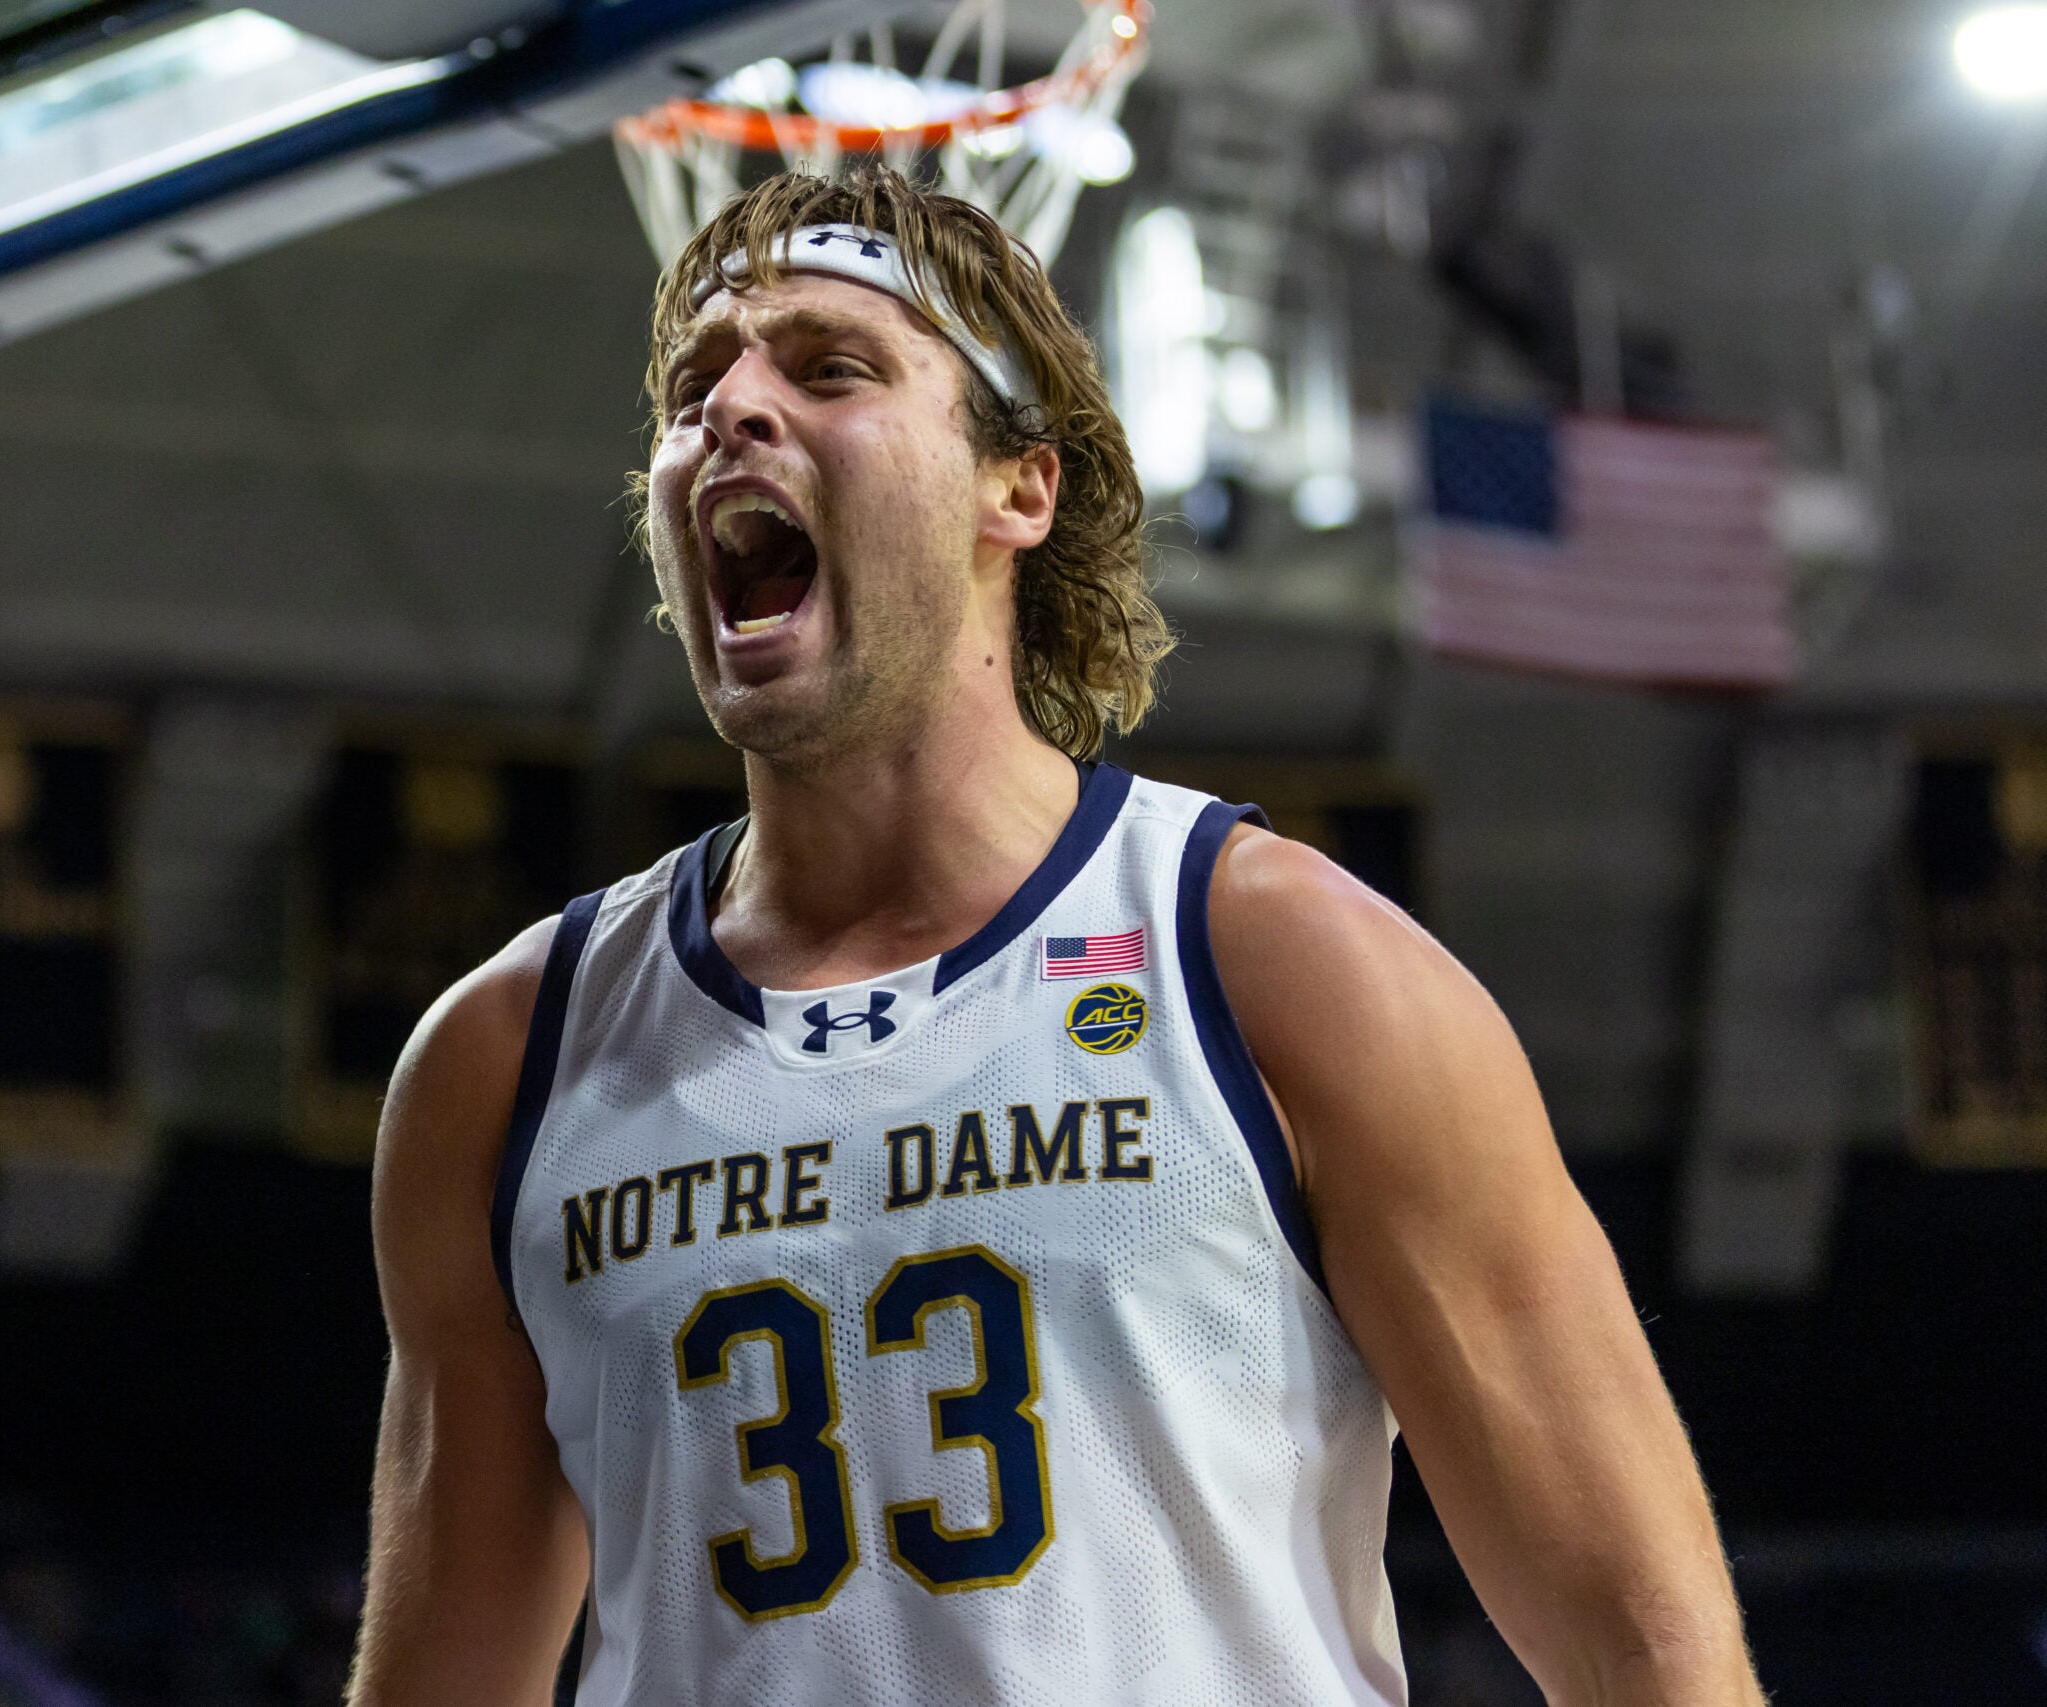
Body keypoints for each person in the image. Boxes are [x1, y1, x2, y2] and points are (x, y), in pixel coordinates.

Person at [346, 167, 1765, 1706]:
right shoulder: (507, 1060)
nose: (731, 410)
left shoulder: (1279, 966)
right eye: (694, 392)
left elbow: (1649, 1652)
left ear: (1018, 488)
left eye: (831, 367)